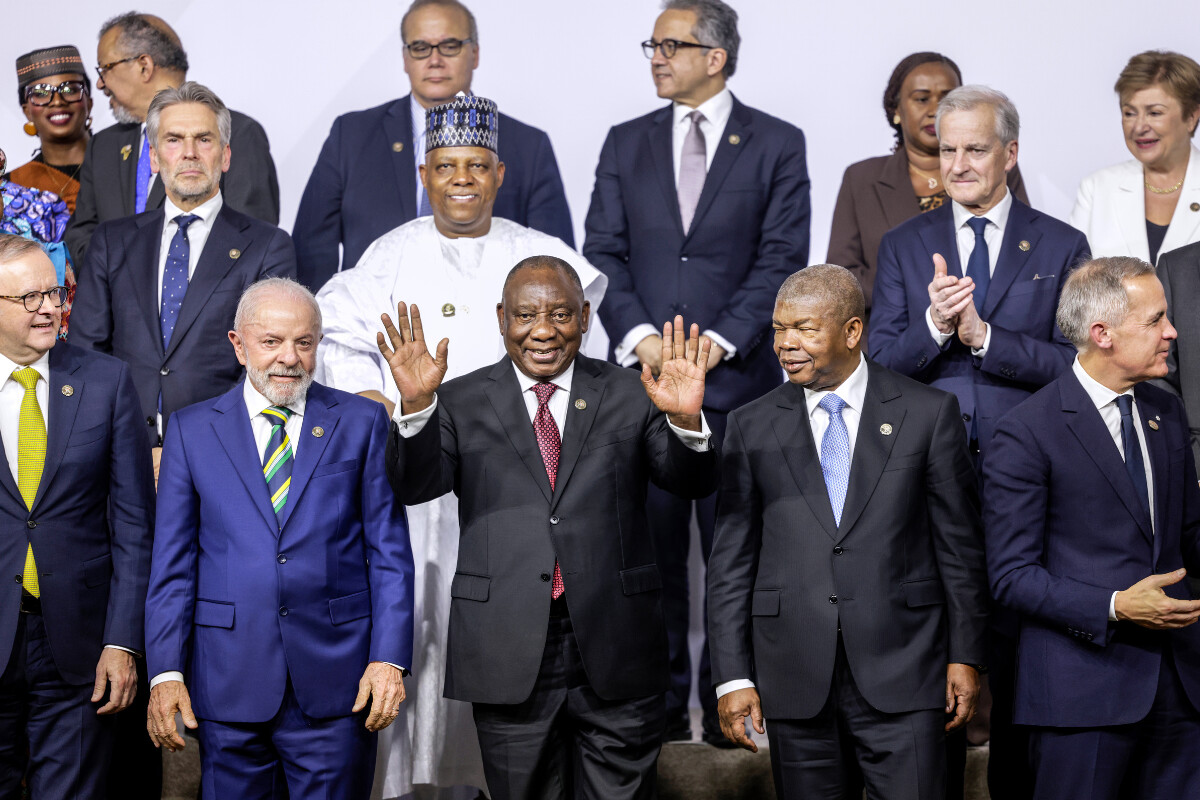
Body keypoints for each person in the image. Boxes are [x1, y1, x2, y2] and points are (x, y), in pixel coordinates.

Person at [316, 92, 603, 798]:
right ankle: (412, 782)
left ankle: (496, 781)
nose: (463, 179)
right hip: (418, 484)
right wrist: (375, 395)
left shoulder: (538, 255)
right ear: (425, 172)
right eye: (447, 166)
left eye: (477, 165)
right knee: (421, 621)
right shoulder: (392, 253)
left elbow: (578, 345)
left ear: (499, 173)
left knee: (505, 628)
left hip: (517, 488)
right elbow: (337, 329)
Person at [383, 257, 718, 799]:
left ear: (585, 316)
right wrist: (417, 406)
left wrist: (684, 421)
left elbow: (691, 482)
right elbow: (415, 485)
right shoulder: (459, 399)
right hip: (508, 648)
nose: (543, 330)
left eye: (561, 314)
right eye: (526, 316)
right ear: (501, 318)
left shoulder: (635, 392)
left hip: (617, 642)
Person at [582, 0, 809, 745]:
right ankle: (656, 713)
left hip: (739, 390)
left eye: (670, 45)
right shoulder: (624, 141)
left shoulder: (777, 142)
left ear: (715, 56)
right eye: (652, 43)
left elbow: (782, 257)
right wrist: (644, 338)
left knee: (734, 559)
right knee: (646, 559)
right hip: (644, 389)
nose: (655, 56)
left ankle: (728, 711)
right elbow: (603, 252)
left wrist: (719, 341)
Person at [868, 84, 1089, 798]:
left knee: (1022, 654)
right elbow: (877, 367)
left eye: (974, 148)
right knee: (938, 657)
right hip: (926, 482)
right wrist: (934, 328)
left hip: (1029, 481)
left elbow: (1076, 366)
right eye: (945, 148)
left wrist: (987, 339)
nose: (957, 163)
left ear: (1010, 154)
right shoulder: (905, 246)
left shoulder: (1060, 244)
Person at [707, 264, 988, 800]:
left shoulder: (928, 413)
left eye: (805, 329)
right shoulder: (750, 424)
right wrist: (734, 677)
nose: (787, 344)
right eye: (778, 329)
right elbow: (730, 564)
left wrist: (966, 655)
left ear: (853, 331)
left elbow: (960, 551)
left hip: (908, 672)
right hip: (795, 679)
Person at [145, 277, 414, 799]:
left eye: (304, 343)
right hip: (227, 683)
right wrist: (165, 673)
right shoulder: (191, 430)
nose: (289, 358)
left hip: (339, 685)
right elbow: (172, 566)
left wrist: (389, 660)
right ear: (239, 345)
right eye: (272, 342)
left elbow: (389, 554)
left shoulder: (361, 422)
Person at [984, 256, 1200, 798]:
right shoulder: (1026, 432)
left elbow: (1189, 536)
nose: (1171, 332)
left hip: (1181, 691)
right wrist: (1115, 605)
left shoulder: (1165, 412)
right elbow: (1011, 576)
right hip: (1082, 696)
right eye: (1155, 321)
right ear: (1102, 333)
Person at [0, 233, 155, 797]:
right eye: (28, 299)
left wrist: (122, 641)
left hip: (79, 645)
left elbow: (137, 525)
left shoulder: (106, 381)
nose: (48, 308)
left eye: (54, 293)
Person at [70, 81, 296, 458]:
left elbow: (270, 365)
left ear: (225, 156)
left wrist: (188, 450)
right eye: (174, 140)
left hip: (223, 456)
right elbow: (86, 355)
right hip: (122, 456)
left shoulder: (269, 245)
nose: (189, 153)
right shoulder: (112, 241)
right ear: (156, 158)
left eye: (204, 140)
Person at [293, 0, 574, 290]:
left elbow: (557, 268)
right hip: (371, 325)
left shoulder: (527, 145)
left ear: (475, 54)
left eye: (450, 45)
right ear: (405, 58)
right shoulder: (351, 136)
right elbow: (311, 253)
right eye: (420, 47)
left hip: (490, 322)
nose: (435, 59)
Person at [65, 11, 280, 265]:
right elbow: (79, 237)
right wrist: (122, 277)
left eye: (105, 69)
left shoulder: (238, 133)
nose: (100, 84)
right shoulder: (103, 146)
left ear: (144, 66)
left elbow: (249, 243)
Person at [827, 52, 1028, 316]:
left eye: (947, 99)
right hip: (888, 337)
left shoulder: (995, 168)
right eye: (922, 99)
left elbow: (1023, 253)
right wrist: (914, 294)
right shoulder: (861, 179)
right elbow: (841, 278)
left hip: (988, 331)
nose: (935, 110)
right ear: (897, 110)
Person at [1071, 50, 1200, 266]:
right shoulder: (1097, 188)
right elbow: (1073, 283)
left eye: (1155, 113)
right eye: (1129, 113)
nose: (1139, 127)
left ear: (1191, 117)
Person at [11, 45, 93, 214]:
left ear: (88, 103)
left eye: (69, 89)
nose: (57, 101)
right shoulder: (12, 186)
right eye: (40, 93)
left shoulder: (126, 164)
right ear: (27, 111)